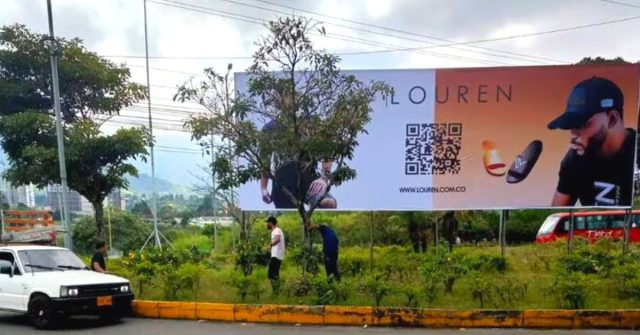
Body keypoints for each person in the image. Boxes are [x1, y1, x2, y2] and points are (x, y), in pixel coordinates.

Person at [548, 76, 636, 207]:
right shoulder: (574, 159)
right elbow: (556, 213)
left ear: (612, 119)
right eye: (571, 126)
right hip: (595, 227)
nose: (573, 135)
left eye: (582, 124)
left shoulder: (635, 154)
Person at [259, 116, 338, 209]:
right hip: (282, 181)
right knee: (288, 215)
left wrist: (324, 177)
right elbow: (265, 162)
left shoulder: (310, 121)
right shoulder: (270, 127)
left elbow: (327, 149)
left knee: (328, 203)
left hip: (307, 175)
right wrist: (263, 189)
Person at [266, 216, 285, 294]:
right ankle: (276, 291)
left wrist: (270, 245)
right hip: (277, 255)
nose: (266, 225)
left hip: (276, 255)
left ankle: (276, 291)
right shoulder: (278, 230)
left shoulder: (276, 230)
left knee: (271, 274)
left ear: (271, 223)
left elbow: (277, 239)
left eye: (267, 223)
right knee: (275, 273)